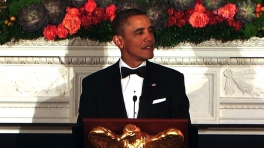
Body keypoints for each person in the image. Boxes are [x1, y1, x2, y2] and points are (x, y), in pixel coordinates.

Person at [77, 8, 190, 125]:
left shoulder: (172, 80)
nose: (149, 38)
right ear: (119, 41)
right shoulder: (94, 84)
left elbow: (184, 136)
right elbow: (84, 137)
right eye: (140, 32)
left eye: (150, 31)